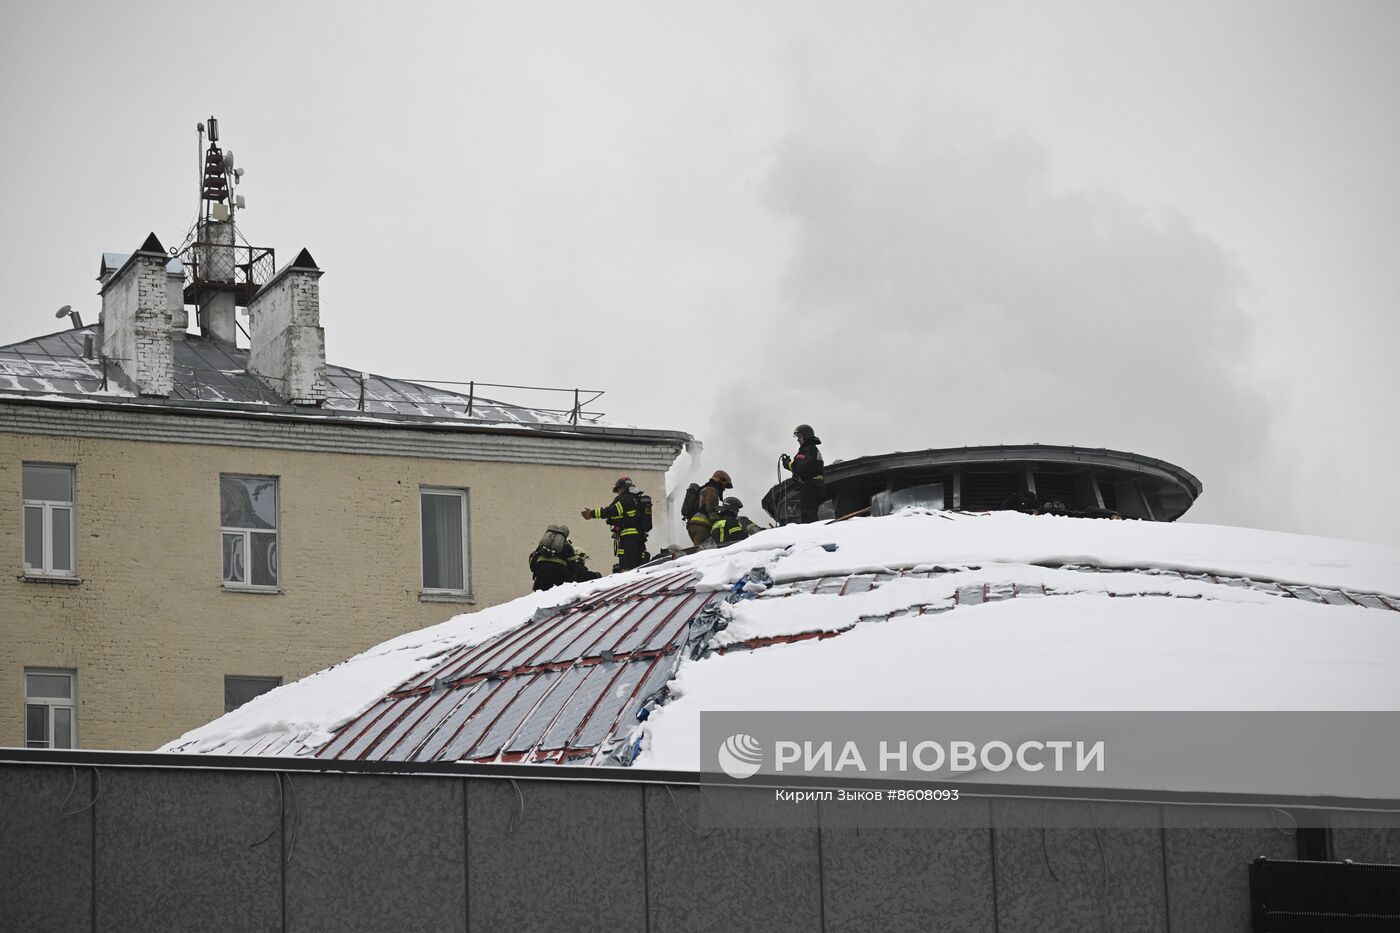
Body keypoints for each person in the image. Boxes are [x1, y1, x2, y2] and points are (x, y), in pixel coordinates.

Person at [581, 476, 648, 571]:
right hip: (635, 536)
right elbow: (622, 515)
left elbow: (613, 510)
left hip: (629, 537)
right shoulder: (634, 498)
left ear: (622, 488)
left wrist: (592, 513)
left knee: (629, 567)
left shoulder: (626, 499)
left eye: (618, 490)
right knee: (630, 563)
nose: (618, 492)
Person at [780, 424, 825, 523]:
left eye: (799, 437)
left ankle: (811, 535)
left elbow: (798, 468)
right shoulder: (813, 450)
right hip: (817, 485)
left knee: (807, 515)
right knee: (812, 513)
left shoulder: (807, 450)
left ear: (806, 436)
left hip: (810, 487)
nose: (797, 439)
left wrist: (787, 464)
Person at [528, 524, 589, 591]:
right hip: (558, 571)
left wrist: (536, 571)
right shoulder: (568, 547)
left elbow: (533, 560)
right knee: (559, 593)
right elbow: (572, 566)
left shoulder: (542, 545)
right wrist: (571, 578)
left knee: (539, 594)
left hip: (541, 571)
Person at [685, 470, 733, 546]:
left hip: (692, 525)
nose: (724, 488)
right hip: (702, 526)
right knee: (702, 551)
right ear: (721, 480)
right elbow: (711, 510)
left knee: (699, 548)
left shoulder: (703, 489)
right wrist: (718, 522)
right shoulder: (712, 490)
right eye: (724, 485)